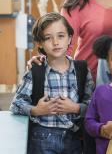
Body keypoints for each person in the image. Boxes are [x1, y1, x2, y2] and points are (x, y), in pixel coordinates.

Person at [10, 12, 94, 154]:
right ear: (40, 43)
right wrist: (36, 110)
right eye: (48, 38)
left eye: (61, 36)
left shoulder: (82, 69)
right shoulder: (35, 71)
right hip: (41, 139)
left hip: (74, 138)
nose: (55, 42)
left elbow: (93, 105)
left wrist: (75, 108)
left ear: (69, 38)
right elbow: (16, 104)